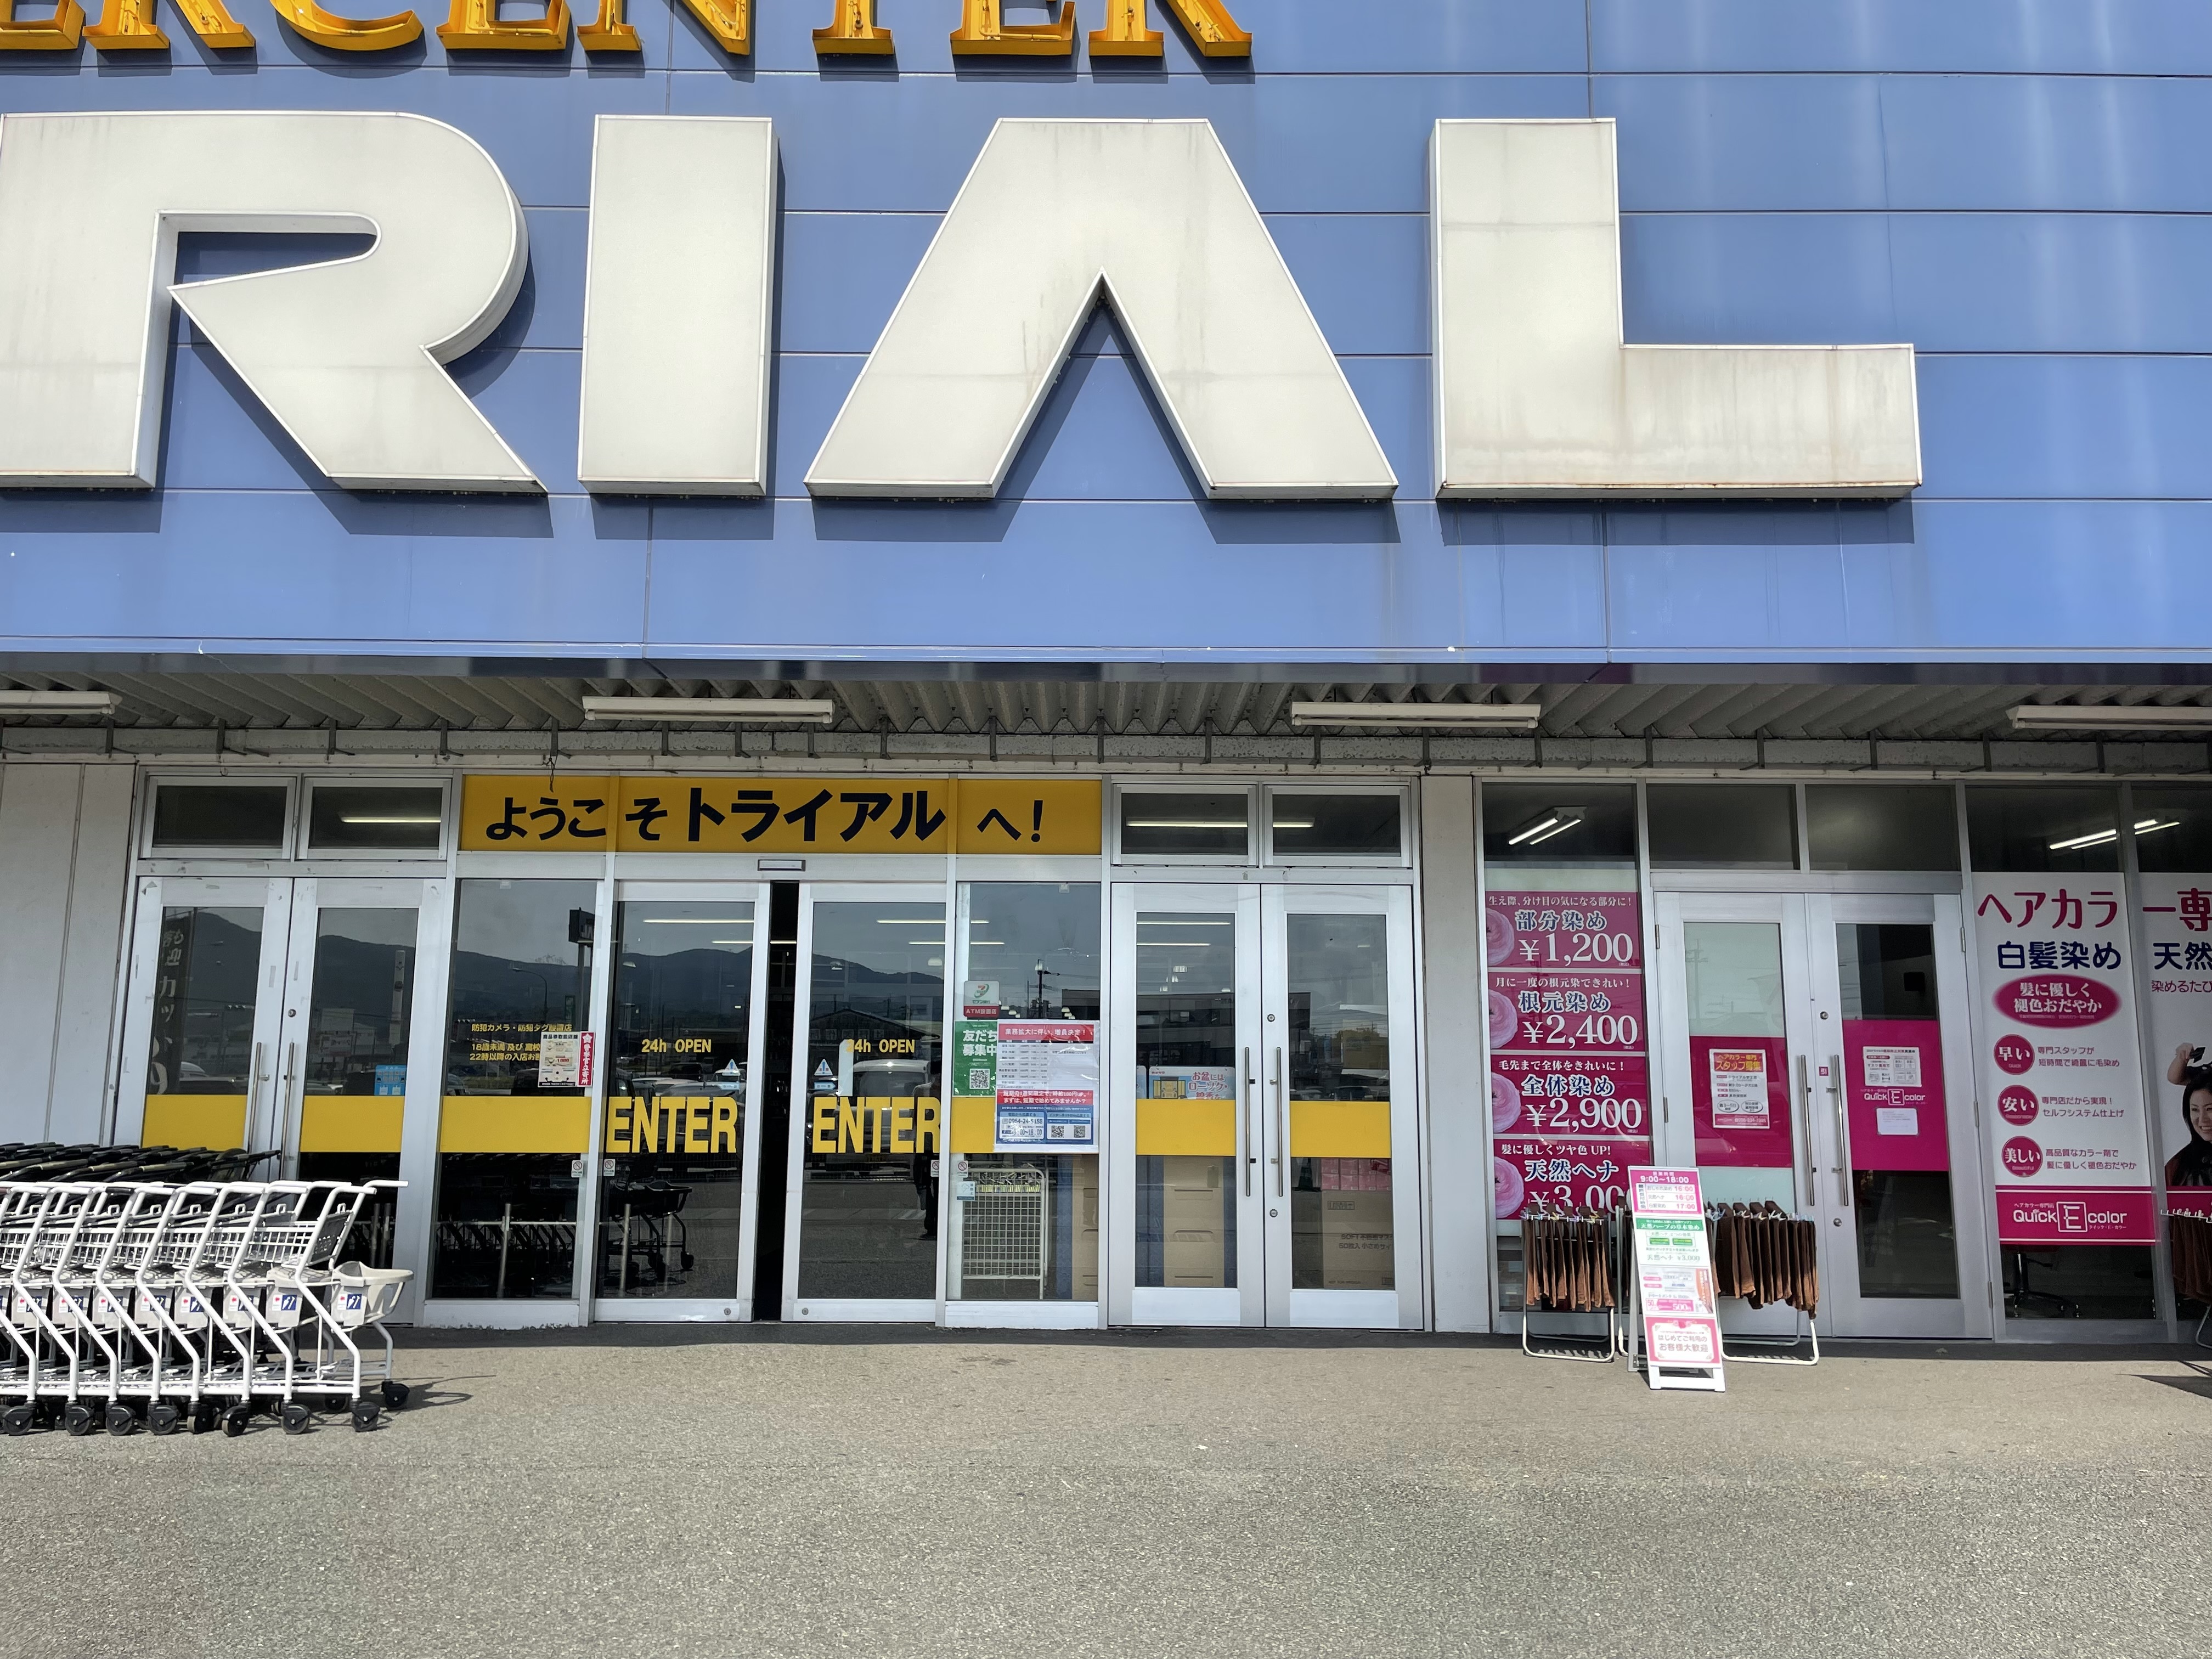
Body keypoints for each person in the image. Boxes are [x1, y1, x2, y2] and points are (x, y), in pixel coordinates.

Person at [2164, 1044, 2212, 1189]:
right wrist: (2182, 1057)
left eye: (2210, 1109)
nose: (2202, 1120)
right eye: (2195, 1110)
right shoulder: (2178, 1167)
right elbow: (2175, 1077)